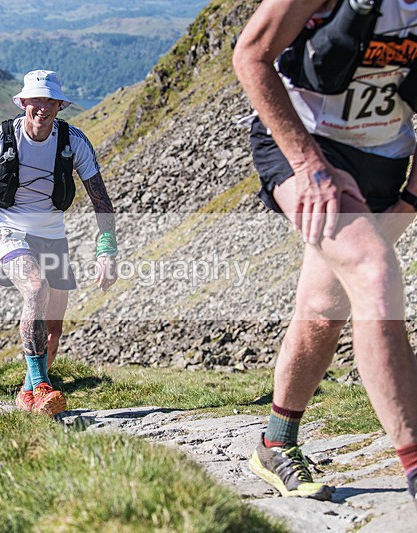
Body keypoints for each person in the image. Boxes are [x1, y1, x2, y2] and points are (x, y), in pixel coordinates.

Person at [234, 0, 417, 503]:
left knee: (323, 310)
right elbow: (251, 55)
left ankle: (275, 442)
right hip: (305, 144)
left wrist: (412, 196)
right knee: (375, 273)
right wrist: (307, 164)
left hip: (383, 160)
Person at [0, 70, 118, 416]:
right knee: (35, 289)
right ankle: (41, 385)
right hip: (5, 228)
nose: (42, 108)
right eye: (35, 101)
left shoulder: (73, 142)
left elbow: (101, 201)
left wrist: (107, 251)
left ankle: (28, 395)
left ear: (59, 105)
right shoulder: (1, 139)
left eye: (49, 101)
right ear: (23, 102)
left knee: (53, 331)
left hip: (52, 234)